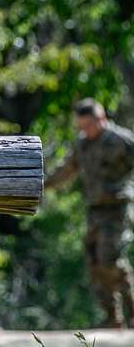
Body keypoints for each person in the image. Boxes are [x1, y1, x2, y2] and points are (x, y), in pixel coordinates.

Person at [45, 98, 134, 327]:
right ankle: (112, 318)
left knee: (110, 259)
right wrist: (41, 185)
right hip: (94, 211)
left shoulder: (121, 140)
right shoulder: (83, 144)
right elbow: (67, 170)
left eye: (89, 125)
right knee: (94, 263)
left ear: (102, 119)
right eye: (81, 126)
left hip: (117, 208)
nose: (85, 130)